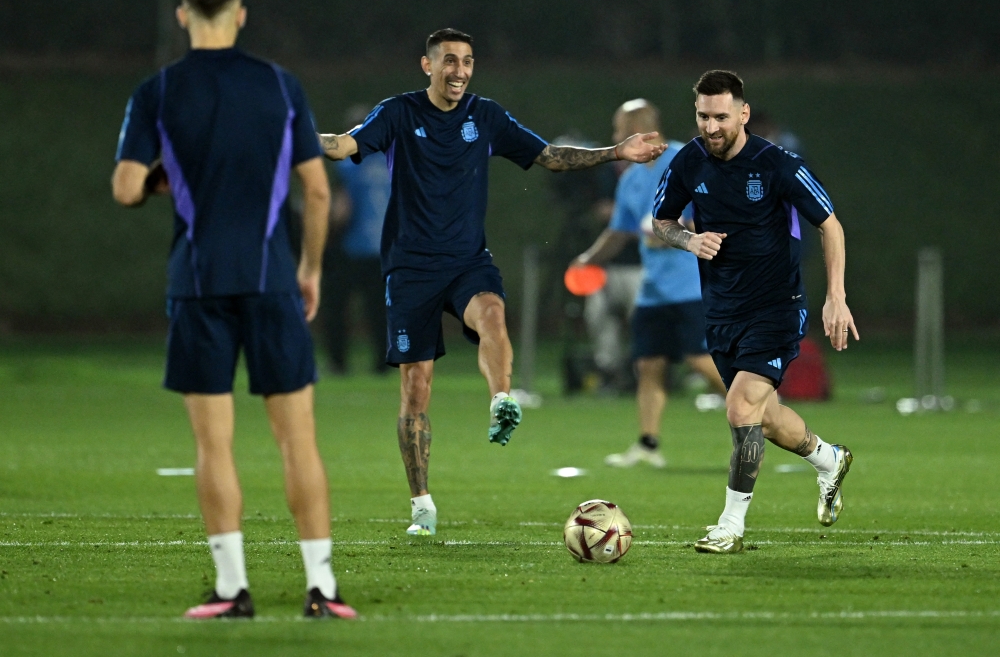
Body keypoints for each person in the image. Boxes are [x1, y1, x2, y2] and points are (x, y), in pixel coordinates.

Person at [319, 28, 666, 536]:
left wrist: (616, 151)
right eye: (449, 61)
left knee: (493, 312)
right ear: (427, 65)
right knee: (415, 388)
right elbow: (346, 144)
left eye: (467, 61)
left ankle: (502, 399)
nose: (459, 70)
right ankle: (422, 505)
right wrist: (298, 140)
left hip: (466, 259)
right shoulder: (399, 113)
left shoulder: (485, 116)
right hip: (410, 268)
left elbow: (549, 156)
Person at [111, 0, 356, 619]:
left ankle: (231, 590)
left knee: (213, 444)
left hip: (197, 285)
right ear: (240, 14)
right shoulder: (279, 85)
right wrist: (310, 270)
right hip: (271, 280)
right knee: (297, 440)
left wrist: (160, 176)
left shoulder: (158, 91)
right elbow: (317, 190)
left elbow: (126, 188)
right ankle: (322, 589)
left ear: (183, 16)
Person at [652, 70, 859, 554]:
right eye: (703, 116)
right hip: (722, 311)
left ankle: (731, 526)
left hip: (776, 308)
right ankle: (829, 459)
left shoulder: (777, 164)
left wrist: (836, 295)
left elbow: (830, 225)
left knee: (740, 406)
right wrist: (689, 240)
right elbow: (661, 221)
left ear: (743, 114)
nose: (711, 126)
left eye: (721, 116)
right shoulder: (687, 161)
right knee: (764, 418)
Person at [572, 99, 728, 468]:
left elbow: (716, 211)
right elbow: (620, 231)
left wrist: (677, 232)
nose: (615, 136)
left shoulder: (687, 159)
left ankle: (761, 412)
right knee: (648, 364)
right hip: (653, 289)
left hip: (692, 283)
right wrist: (588, 259)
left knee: (701, 360)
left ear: (638, 129)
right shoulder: (630, 178)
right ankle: (648, 444)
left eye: (619, 129)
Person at [322, 104, 392, 375]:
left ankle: (338, 362)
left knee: (337, 307)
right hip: (383, 248)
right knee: (379, 311)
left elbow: (342, 209)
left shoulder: (348, 165)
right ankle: (383, 364)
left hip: (350, 247)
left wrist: (326, 234)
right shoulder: (390, 163)